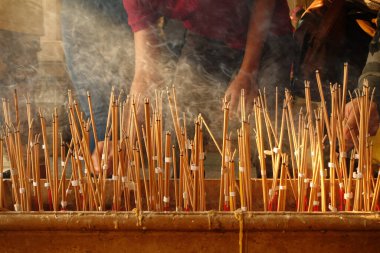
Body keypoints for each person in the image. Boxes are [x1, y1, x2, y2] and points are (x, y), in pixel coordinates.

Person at [92, 0, 295, 176]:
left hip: (268, 32)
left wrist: (247, 72)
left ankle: (275, 203)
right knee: (180, 129)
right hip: (206, 36)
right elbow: (146, 72)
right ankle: (184, 205)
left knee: (269, 135)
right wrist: (123, 141)